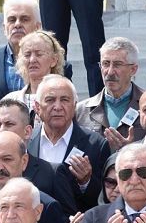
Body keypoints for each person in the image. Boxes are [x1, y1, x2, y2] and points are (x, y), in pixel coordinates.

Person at [31, 76, 111, 211]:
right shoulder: (26, 142)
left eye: (64, 100)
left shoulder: (96, 145)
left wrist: (86, 182)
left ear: (74, 106)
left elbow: (105, 198)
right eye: (50, 100)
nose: (57, 107)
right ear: (37, 107)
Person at [77, 37, 144, 140]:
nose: (110, 72)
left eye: (117, 64)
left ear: (133, 69)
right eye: (106, 64)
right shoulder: (81, 111)